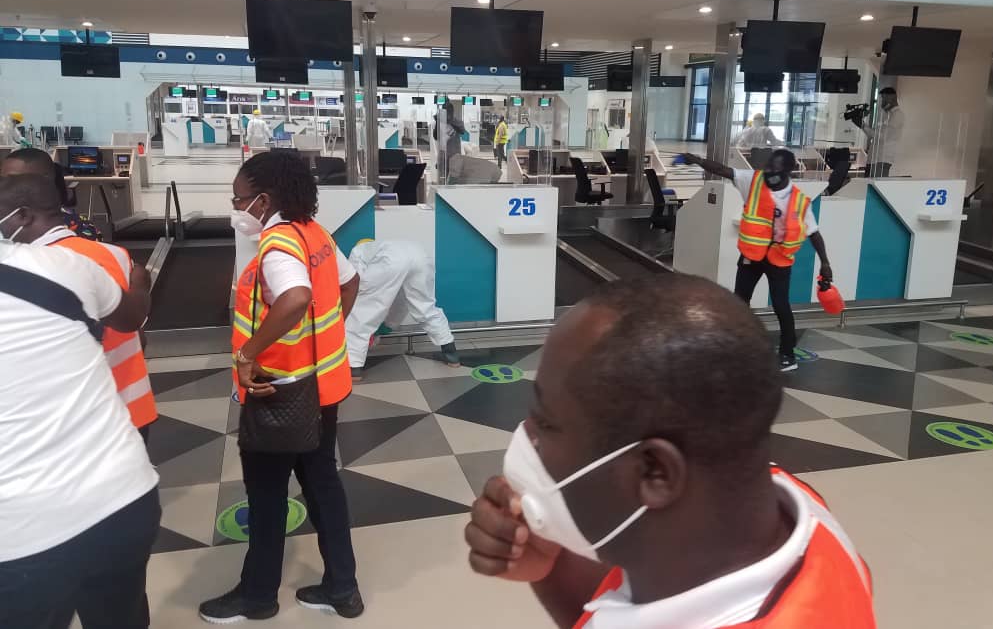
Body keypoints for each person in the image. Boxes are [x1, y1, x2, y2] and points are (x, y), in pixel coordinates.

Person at [465, 276, 876, 629]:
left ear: (655, 472)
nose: (527, 436)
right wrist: (553, 567)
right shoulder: (794, 511)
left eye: (545, 421)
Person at [200, 150, 364, 623]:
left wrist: (249, 353)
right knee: (323, 486)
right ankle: (343, 589)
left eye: (239, 199)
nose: (235, 207)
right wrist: (325, 338)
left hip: (280, 394)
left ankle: (256, 597)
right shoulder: (316, 235)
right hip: (324, 390)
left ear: (263, 200)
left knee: (267, 496)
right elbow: (351, 285)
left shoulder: (278, 245)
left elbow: (295, 297)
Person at [0, 177, 160, 629]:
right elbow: (133, 316)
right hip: (123, 494)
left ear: (25, 215)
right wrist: (141, 281)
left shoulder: (71, 263)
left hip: (22, 534)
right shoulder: (73, 265)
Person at [0, 172, 158, 439]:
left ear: (24, 215)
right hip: (133, 402)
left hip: (78, 419)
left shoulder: (40, 268)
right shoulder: (114, 254)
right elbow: (133, 322)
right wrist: (140, 284)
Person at [682, 149, 832, 372]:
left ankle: (787, 354)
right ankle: (734, 347)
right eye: (769, 167)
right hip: (752, 255)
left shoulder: (799, 201)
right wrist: (698, 160)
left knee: (781, 306)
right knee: (739, 302)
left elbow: (814, 233)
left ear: (789, 172)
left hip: (779, 260)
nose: (770, 172)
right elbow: (724, 170)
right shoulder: (752, 181)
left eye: (776, 169)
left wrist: (825, 263)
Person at [345, 238, 460, 380]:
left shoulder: (358, 251)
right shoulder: (384, 245)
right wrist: (386, 325)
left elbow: (355, 284)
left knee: (363, 311)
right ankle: (451, 353)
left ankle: (354, 367)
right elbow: (399, 301)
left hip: (392, 261)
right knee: (425, 307)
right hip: (421, 256)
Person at [2, 147, 102, 239]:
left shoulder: (80, 229)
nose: (3, 186)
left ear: (45, 181)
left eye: (13, 180)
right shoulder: (5, 219)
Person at [862, 87, 904, 177]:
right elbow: (874, 135)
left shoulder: (897, 115)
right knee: (866, 186)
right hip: (874, 158)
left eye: (884, 98)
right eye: (882, 99)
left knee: (875, 187)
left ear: (892, 97)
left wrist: (863, 126)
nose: (882, 101)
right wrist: (862, 125)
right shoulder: (886, 115)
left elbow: (882, 137)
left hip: (882, 159)